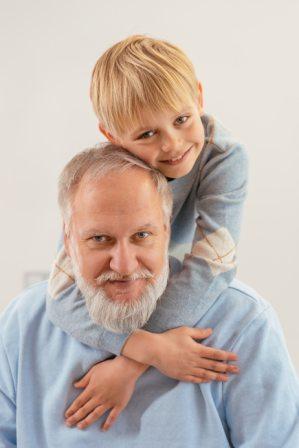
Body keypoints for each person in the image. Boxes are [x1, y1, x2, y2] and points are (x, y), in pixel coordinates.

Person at [1, 146, 298, 447]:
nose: (124, 265)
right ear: (68, 239)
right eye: (100, 239)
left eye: (142, 236)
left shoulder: (243, 325)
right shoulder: (22, 326)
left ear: (167, 231)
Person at [47, 35, 248, 429]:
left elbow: (214, 266)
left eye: (181, 119)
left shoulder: (224, 156)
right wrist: (148, 347)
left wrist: (130, 364)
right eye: (146, 135)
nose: (173, 145)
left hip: (169, 273)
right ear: (112, 137)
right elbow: (60, 293)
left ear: (199, 97)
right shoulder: (104, 177)